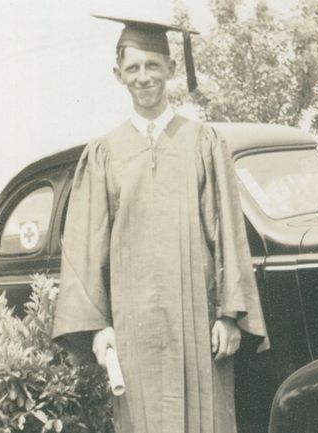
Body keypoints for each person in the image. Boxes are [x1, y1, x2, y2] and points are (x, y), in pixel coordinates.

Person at [51, 14, 269, 433]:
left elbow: (227, 234)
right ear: (118, 75)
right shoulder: (104, 153)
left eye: (153, 65)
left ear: (171, 68)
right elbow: (84, 248)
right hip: (134, 328)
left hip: (199, 322)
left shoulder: (203, 141)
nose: (144, 77)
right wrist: (98, 329)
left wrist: (230, 316)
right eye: (133, 68)